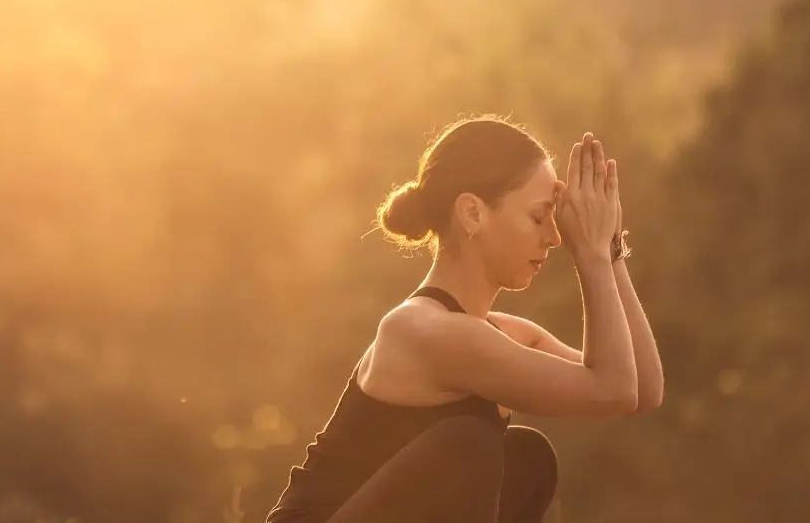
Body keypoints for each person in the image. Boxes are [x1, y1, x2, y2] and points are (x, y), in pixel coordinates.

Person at [265, 115, 664, 523]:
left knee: (527, 457)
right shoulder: (425, 331)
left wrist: (610, 248)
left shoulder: (501, 334)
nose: (555, 237)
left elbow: (640, 391)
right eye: (538, 217)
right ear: (472, 213)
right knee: (470, 446)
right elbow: (612, 390)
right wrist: (591, 255)